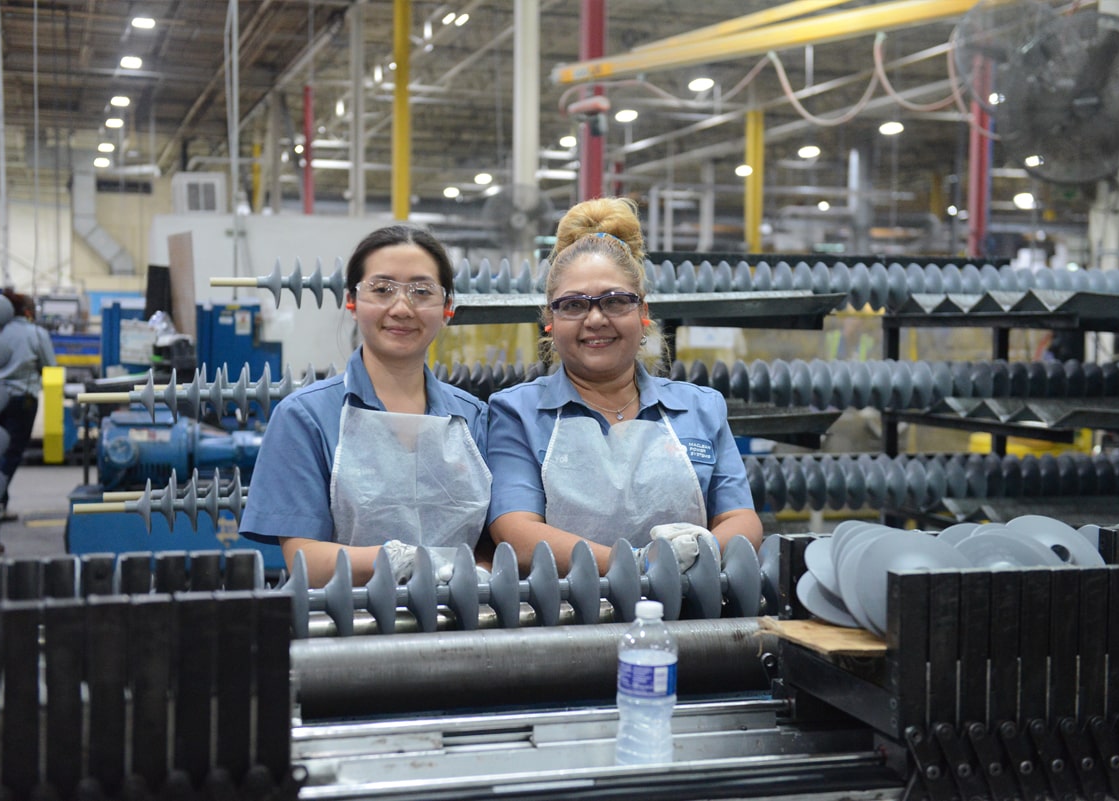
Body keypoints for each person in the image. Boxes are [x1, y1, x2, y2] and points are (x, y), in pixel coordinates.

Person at [485, 197, 762, 576]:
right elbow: (515, 532)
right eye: (574, 305)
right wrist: (637, 565)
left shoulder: (700, 408)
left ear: (643, 313)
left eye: (615, 301)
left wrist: (701, 550)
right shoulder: (516, 412)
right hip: (562, 624)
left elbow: (742, 519)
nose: (596, 319)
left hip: (689, 619)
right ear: (551, 319)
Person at [239, 225, 492, 588]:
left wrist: (479, 573)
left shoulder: (472, 418)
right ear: (352, 302)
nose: (402, 308)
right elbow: (306, 560)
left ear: (447, 308)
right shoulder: (305, 417)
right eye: (382, 289)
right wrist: (398, 560)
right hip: (344, 630)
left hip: (460, 626)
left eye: (422, 292)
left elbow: (491, 540)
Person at [0, 289, 58, 516]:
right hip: (21, 400)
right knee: (11, 454)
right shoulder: (35, 333)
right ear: (27, 312)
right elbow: (50, 368)